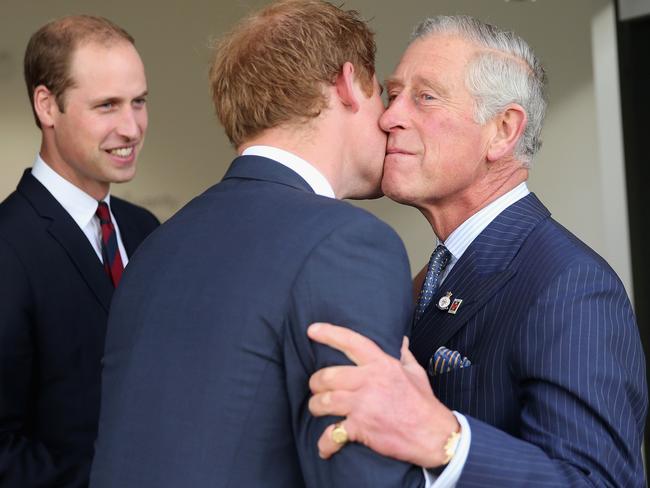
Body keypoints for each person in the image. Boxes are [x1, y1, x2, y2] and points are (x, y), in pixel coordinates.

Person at [89, 1, 425, 487]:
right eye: (383, 94)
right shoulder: (348, 243)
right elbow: (366, 476)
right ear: (349, 83)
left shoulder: (156, 248)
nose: (390, 118)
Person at [307, 15, 648, 487]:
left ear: (504, 130)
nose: (389, 117)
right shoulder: (429, 278)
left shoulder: (571, 285)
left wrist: (446, 440)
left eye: (424, 97)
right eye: (392, 93)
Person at [0, 15, 159, 487]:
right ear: (47, 106)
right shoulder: (7, 247)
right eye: (107, 105)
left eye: (139, 102)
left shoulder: (144, 229)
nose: (131, 128)